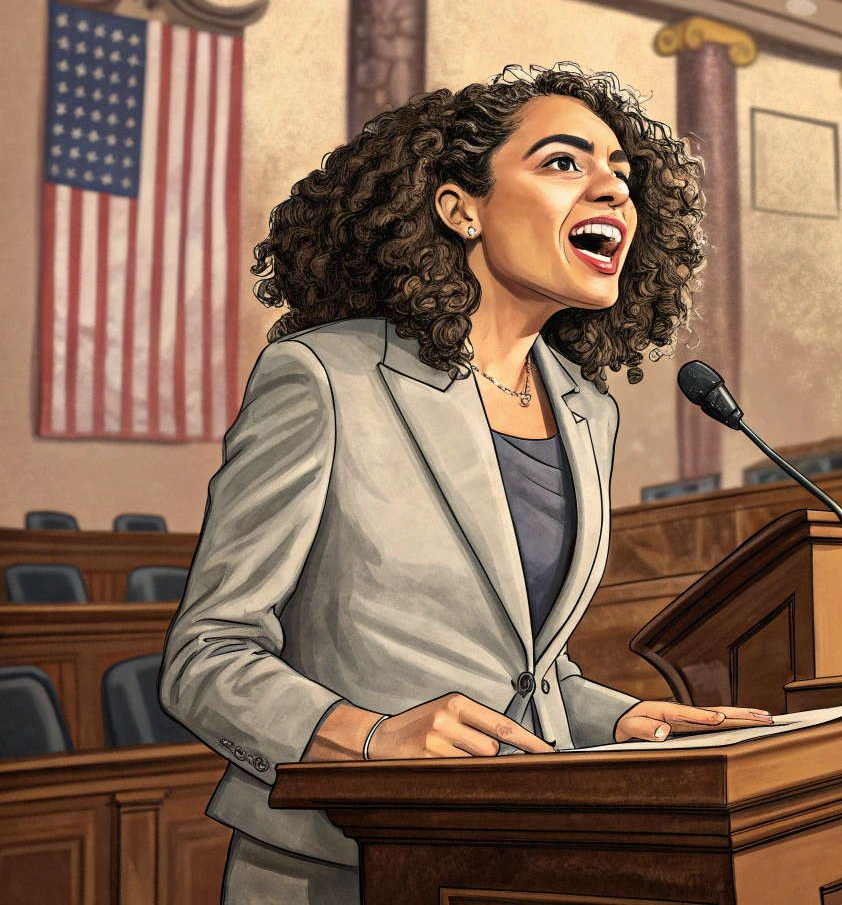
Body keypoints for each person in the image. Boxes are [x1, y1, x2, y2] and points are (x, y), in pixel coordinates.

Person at [159, 64, 773, 904]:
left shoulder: (586, 410)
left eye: (622, 178)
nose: (611, 192)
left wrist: (619, 721)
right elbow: (206, 658)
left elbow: (521, 669)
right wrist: (367, 739)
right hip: (343, 859)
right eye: (564, 163)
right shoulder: (325, 378)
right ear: (460, 207)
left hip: (512, 856)